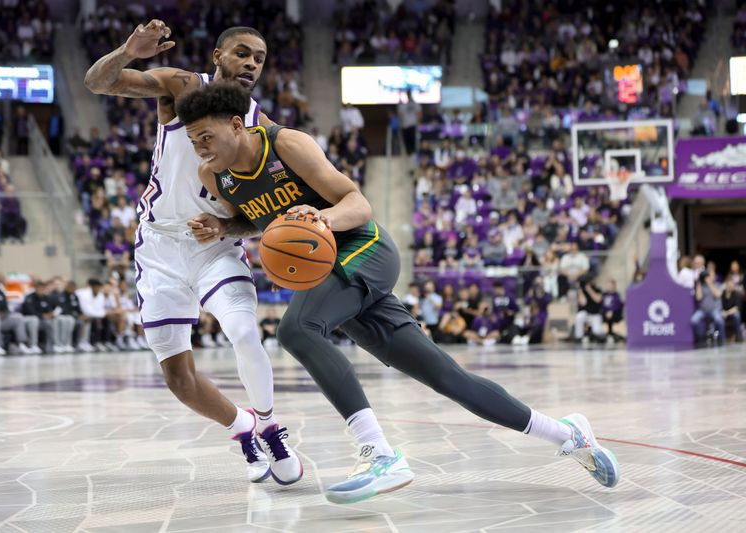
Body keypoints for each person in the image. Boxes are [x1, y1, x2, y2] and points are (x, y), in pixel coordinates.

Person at [179, 82, 620, 504]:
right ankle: (566, 433)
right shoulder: (215, 175)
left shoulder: (287, 144)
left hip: (363, 247)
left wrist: (321, 219)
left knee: (297, 329)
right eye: (194, 140)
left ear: (236, 125)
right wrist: (222, 226)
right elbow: (258, 220)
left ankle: (380, 453)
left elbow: (357, 203)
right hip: (328, 273)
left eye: (206, 136)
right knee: (448, 379)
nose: (200, 147)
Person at [84, 21, 300, 483]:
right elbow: (97, 83)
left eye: (259, 59)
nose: (251, 64)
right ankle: (243, 429)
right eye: (242, 53)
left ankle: (269, 425)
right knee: (179, 379)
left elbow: (262, 212)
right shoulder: (181, 87)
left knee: (243, 332)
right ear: (218, 56)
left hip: (215, 245)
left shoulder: (261, 126)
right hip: (159, 245)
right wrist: (127, 51)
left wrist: (228, 226)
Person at [691, 268, 725, 345]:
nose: (708, 278)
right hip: (702, 310)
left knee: (719, 320)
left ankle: (722, 339)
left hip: (715, 310)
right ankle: (701, 339)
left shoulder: (718, 284)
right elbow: (698, 297)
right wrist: (699, 282)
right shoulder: (701, 286)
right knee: (694, 320)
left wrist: (710, 283)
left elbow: (717, 294)